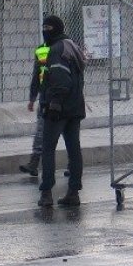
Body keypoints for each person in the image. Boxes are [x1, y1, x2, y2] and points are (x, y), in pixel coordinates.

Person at [37, 15, 86, 208]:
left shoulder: (57, 50)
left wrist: (54, 103)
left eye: (48, 27)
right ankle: (73, 192)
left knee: (48, 149)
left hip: (59, 109)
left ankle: (46, 192)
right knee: (74, 149)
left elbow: (61, 80)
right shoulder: (71, 46)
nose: (45, 31)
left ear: (55, 29)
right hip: (75, 107)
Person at [19, 39, 51, 179]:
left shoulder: (66, 47)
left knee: (67, 133)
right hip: (45, 97)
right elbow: (37, 76)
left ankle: (71, 166)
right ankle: (34, 163)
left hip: (61, 97)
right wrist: (32, 98)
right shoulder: (41, 50)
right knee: (41, 131)